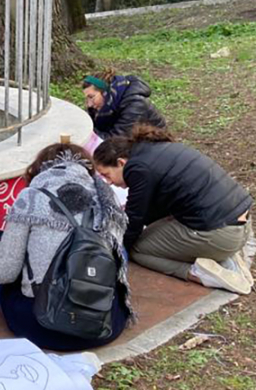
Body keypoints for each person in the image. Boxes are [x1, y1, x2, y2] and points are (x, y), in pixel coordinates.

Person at [0, 144, 133, 351]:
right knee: (118, 250)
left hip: (41, 327)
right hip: (105, 325)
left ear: (40, 169)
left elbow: (5, 273)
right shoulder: (107, 198)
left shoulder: (30, 197)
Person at [93, 125, 253, 293]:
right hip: (241, 225)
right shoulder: (156, 148)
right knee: (154, 231)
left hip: (222, 235)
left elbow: (134, 221)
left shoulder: (138, 168)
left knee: (138, 250)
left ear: (121, 162)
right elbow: (152, 211)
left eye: (106, 175)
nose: (108, 182)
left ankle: (198, 273)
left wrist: (115, 253)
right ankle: (226, 259)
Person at [82, 73, 166, 140]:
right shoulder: (106, 104)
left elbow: (116, 142)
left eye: (91, 97)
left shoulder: (135, 105)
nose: (89, 104)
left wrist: (85, 133)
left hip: (153, 146)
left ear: (105, 93)